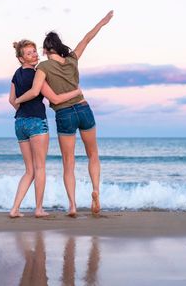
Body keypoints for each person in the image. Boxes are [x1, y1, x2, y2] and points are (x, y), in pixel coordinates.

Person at [14, 11, 114, 216]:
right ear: (59, 46)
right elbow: (87, 38)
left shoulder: (42, 67)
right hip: (84, 108)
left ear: (44, 50)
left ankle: (72, 205)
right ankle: (95, 190)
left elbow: (36, 92)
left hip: (64, 114)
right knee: (93, 154)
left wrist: (18, 102)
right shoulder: (72, 59)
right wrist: (102, 23)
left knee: (68, 162)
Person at [9, 40, 81, 218]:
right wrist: (76, 92)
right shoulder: (38, 74)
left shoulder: (16, 75)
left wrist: (21, 106)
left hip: (20, 123)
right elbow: (54, 99)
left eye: (34, 51)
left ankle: (14, 209)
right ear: (21, 58)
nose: (34, 55)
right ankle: (39, 209)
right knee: (40, 168)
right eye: (28, 53)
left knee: (29, 170)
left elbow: (11, 100)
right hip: (36, 122)